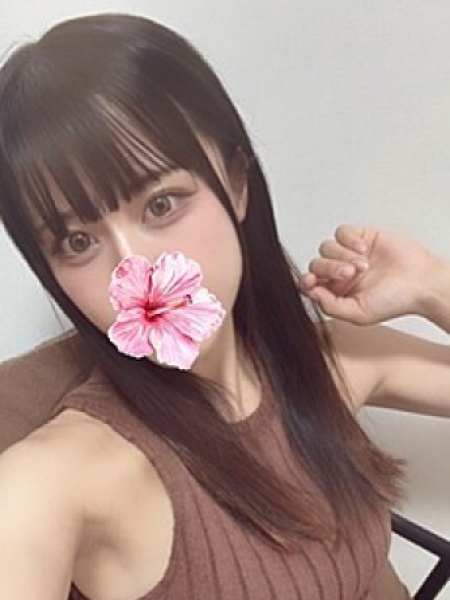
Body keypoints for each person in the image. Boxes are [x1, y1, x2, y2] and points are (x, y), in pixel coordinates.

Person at [0, 13, 448, 600]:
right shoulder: (52, 483)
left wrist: (432, 286)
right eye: (77, 241)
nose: (135, 272)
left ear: (236, 184)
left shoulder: (331, 362)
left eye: (161, 204)